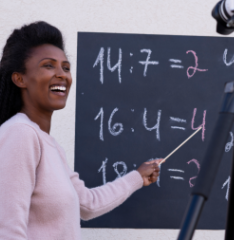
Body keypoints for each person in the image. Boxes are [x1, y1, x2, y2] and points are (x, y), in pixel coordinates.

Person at [0, 21, 161, 240]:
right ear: (20, 79)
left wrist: (137, 177)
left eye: (66, 67)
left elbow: (88, 204)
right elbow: (7, 231)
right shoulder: (21, 134)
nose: (62, 75)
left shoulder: (50, 145)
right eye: (49, 65)